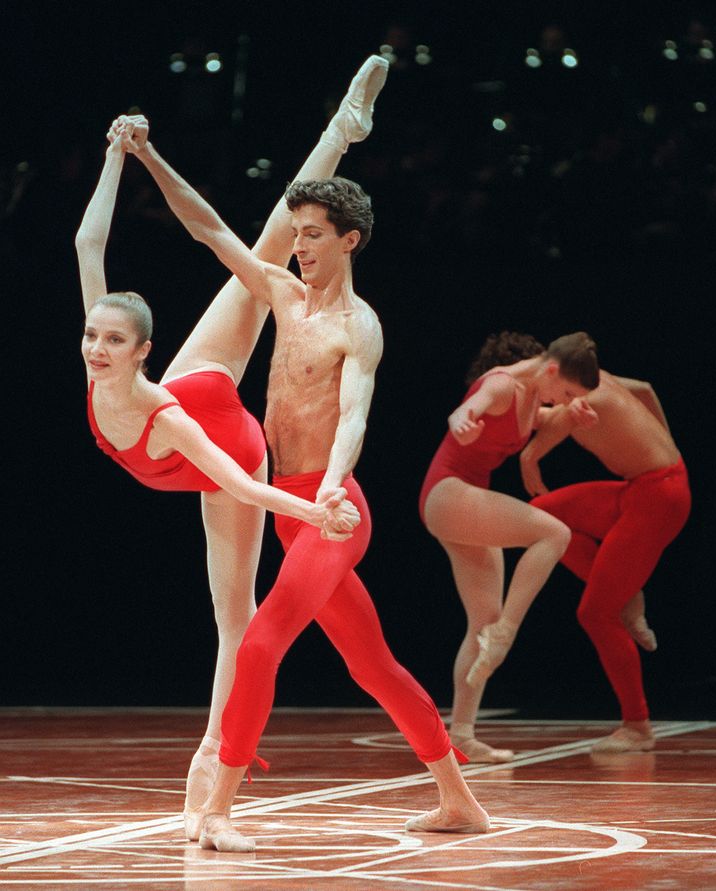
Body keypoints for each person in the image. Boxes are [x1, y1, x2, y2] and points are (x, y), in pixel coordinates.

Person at [120, 113, 492, 854]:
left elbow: (354, 415)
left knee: (259, 644)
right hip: (291, 504)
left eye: (314, 233)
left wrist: (333, 487)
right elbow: (207, 228)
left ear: (349, 239)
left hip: (332, 510)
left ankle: (220, 805)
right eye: (297, 233)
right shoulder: (284, 296)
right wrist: (148, 155)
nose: (301, 246)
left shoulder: (360, 325)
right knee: (373, 663)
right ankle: (460, 801)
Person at [78, 55, 390, 833]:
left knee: (235, 617)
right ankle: (342, 131)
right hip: (190, 401)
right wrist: (123, 154)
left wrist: (317, 512)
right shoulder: (105, 362)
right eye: (93, 337)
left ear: (142, 350)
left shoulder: (166, 410)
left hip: (231, 445)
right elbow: (90, 244)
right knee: (254, 244)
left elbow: (249, 489)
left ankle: (213, 765)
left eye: (112, 339)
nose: (95, 347)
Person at [419, 331, 600, 762]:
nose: (563, 398)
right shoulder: (503, 385)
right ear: (551, 370)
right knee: (553, 533)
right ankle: (508, 631)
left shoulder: (535, 395)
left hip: (462, 502)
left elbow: (548, 420)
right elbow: (467, 408)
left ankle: (461, 736)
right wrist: (461, 419)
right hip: (448, 492)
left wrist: (571, 413)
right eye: (568, 390)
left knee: (483, 621)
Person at [520, 370, 691, 752]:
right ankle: (629, 597)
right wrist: (665, 443)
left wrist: (528, 455)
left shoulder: (579, 404)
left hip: (656, 499)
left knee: (596, 614)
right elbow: (645, 387)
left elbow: (538, 443)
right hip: (640, 491)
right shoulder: (593, 383)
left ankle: (637, 726)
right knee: (541, 517)